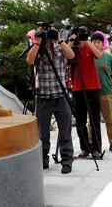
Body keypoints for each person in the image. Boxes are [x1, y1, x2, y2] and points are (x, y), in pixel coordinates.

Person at [26, 26, 75, 174]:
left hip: (60, 96)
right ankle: (43, 159)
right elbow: (29, 60)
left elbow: (71, 55)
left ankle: (67, 160)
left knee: (65, 130)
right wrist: (38, 41)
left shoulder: (58, 47)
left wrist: (59, 38)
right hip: (43, 97)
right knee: (43, 133)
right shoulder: (37, 48)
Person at [68, 28, 103, 159]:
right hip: (77, 88)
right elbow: (65, 58)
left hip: (93, 87)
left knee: (94, 119)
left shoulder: (90, 46)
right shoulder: (73, 48)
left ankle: (96, 148)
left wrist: (87, 42)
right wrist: (71, 41)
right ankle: (84, 148)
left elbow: (99, 55)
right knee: (80, 120)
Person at [91, 31, 112, 153]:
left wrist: (109, 81)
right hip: (92, 93)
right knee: (92, 120)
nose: (96, 44)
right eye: (94, 42)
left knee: (109, 119)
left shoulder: (109, 56)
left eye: (99, 42)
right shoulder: (89, 56)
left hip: (106, 92)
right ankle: (92, 142)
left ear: (103, 44)